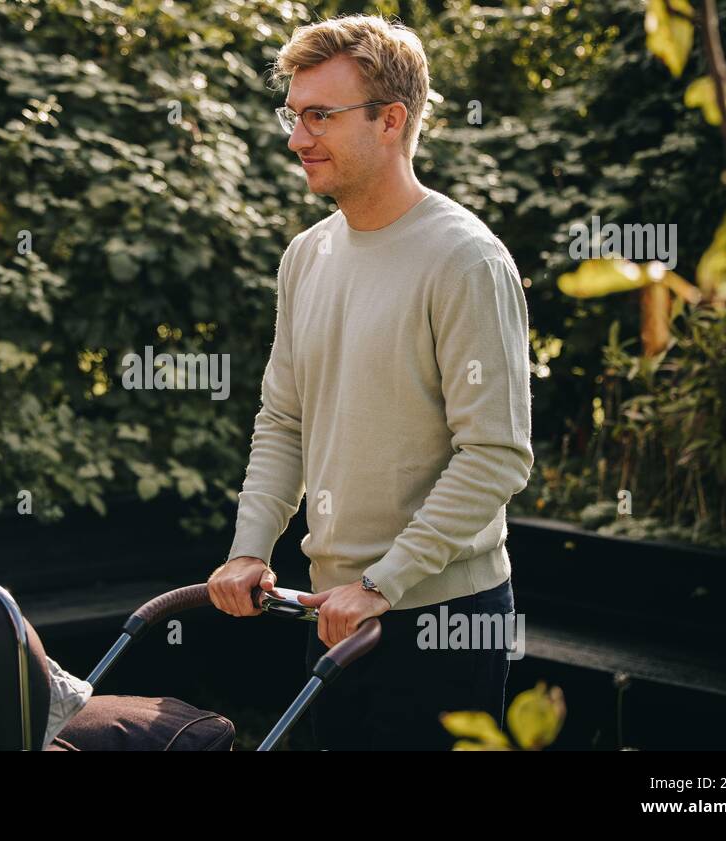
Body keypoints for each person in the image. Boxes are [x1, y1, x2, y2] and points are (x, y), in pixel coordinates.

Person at [207, 14, 533, 750]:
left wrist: (385, 582)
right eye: (293, 116)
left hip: (442, 619)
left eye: (319, 115)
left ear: (392, 121)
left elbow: (496, 454)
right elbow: (284, 419)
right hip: (333, 608)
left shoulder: (466, 261)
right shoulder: (305, 256)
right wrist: (250, 546)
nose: (296, 138)